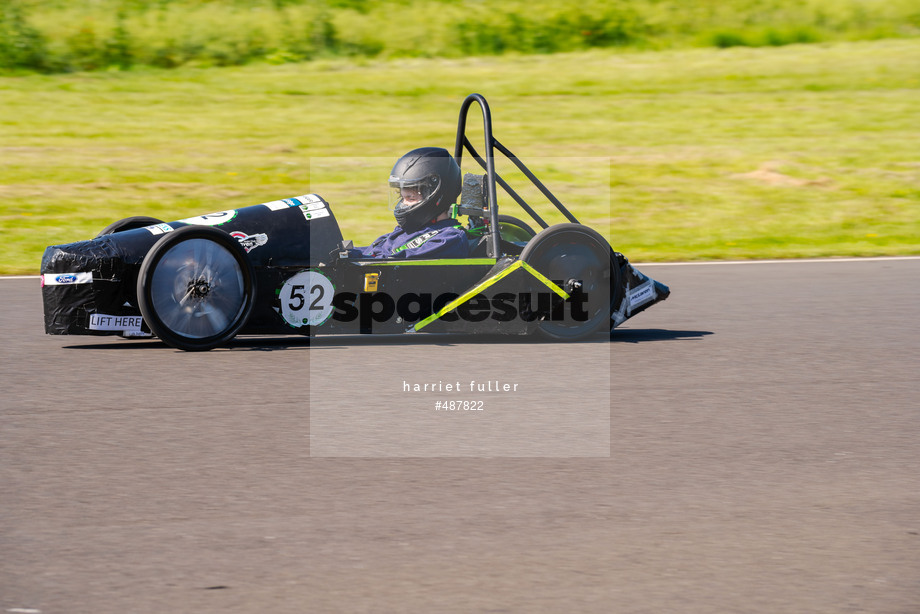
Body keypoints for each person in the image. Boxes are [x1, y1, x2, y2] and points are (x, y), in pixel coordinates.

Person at [350, 147, 470, 259]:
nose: (404, 204)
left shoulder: (449, 238)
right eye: (402, 198)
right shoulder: (404, 232)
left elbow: (398, 261)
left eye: (410, 198)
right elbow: (371, 253)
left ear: (436, 198)